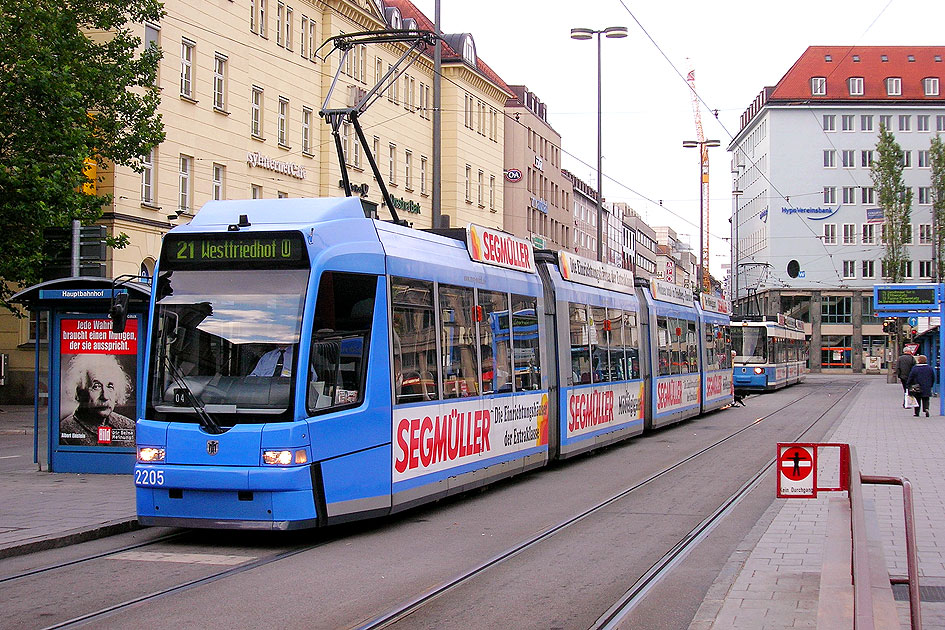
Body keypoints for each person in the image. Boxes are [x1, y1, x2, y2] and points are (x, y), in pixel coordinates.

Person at [59, 354, 135, 447]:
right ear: (80, 391)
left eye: (110, 387)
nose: (105, 396)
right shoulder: (64, 432)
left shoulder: (129, 426)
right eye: (96, 387)